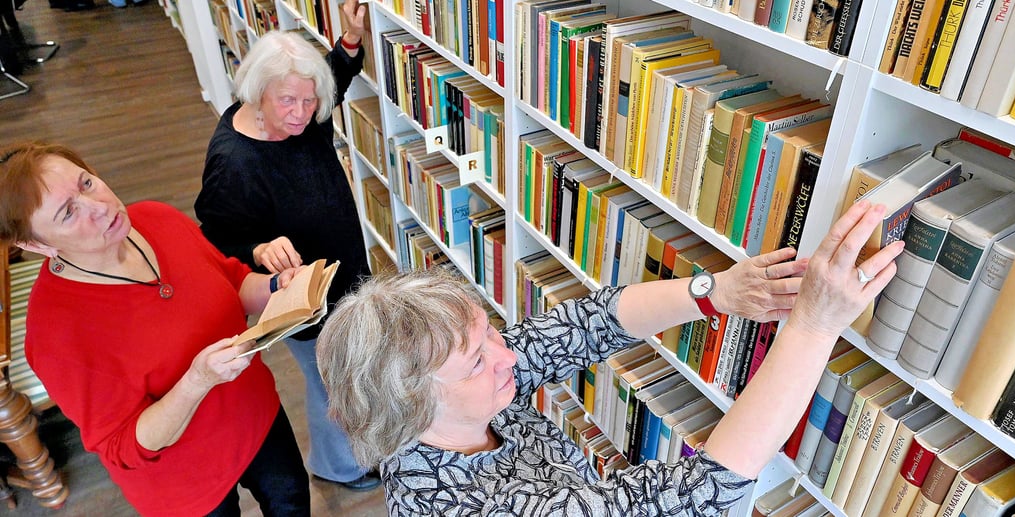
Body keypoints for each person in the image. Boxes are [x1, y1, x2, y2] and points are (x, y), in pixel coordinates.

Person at [315, 200, 904, 515]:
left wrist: (716, 293)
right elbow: (699, 495)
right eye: (476, 361)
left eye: (490, 332)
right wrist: (815, 325)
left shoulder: (450, 410)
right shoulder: (480, 507)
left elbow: (585, 324)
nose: (508, 356)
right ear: (413, 405)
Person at [0, 141, 311, 517]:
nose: (100, 207)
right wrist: (197, 381)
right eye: (68, 213)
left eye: (85, 183)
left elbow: (231, 281)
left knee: (292, 502)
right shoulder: (56, 336)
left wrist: (278, 287)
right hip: (183, 482)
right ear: (34, 244)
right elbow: (122, 445)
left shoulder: (156, 217)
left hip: (256, 416)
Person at [193, 0, 377, 490]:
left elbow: (333, 76)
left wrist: (351, 39)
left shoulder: (308, 109)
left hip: (346, 269)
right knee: (329, 384)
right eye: (288, 102)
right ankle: (339, 466)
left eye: (310, 100)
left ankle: (354, 449)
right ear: (258, 95)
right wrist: (257, 249)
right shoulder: (233, 162)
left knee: (349, 370)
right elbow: (215, 240)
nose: (302, 114)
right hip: (301, 297)